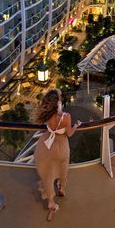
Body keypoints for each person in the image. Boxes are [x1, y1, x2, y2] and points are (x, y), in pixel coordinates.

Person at [34, 89, 81, 221]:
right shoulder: (66, 116)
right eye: (60, 97)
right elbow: (70, 133)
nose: (61, 99)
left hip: (47, 145)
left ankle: (51, 202)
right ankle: (61, 187)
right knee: (63, 166)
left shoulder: (47, 115)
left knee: (49, 174)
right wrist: (76, 125)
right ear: (58, 102)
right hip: (61, 146)